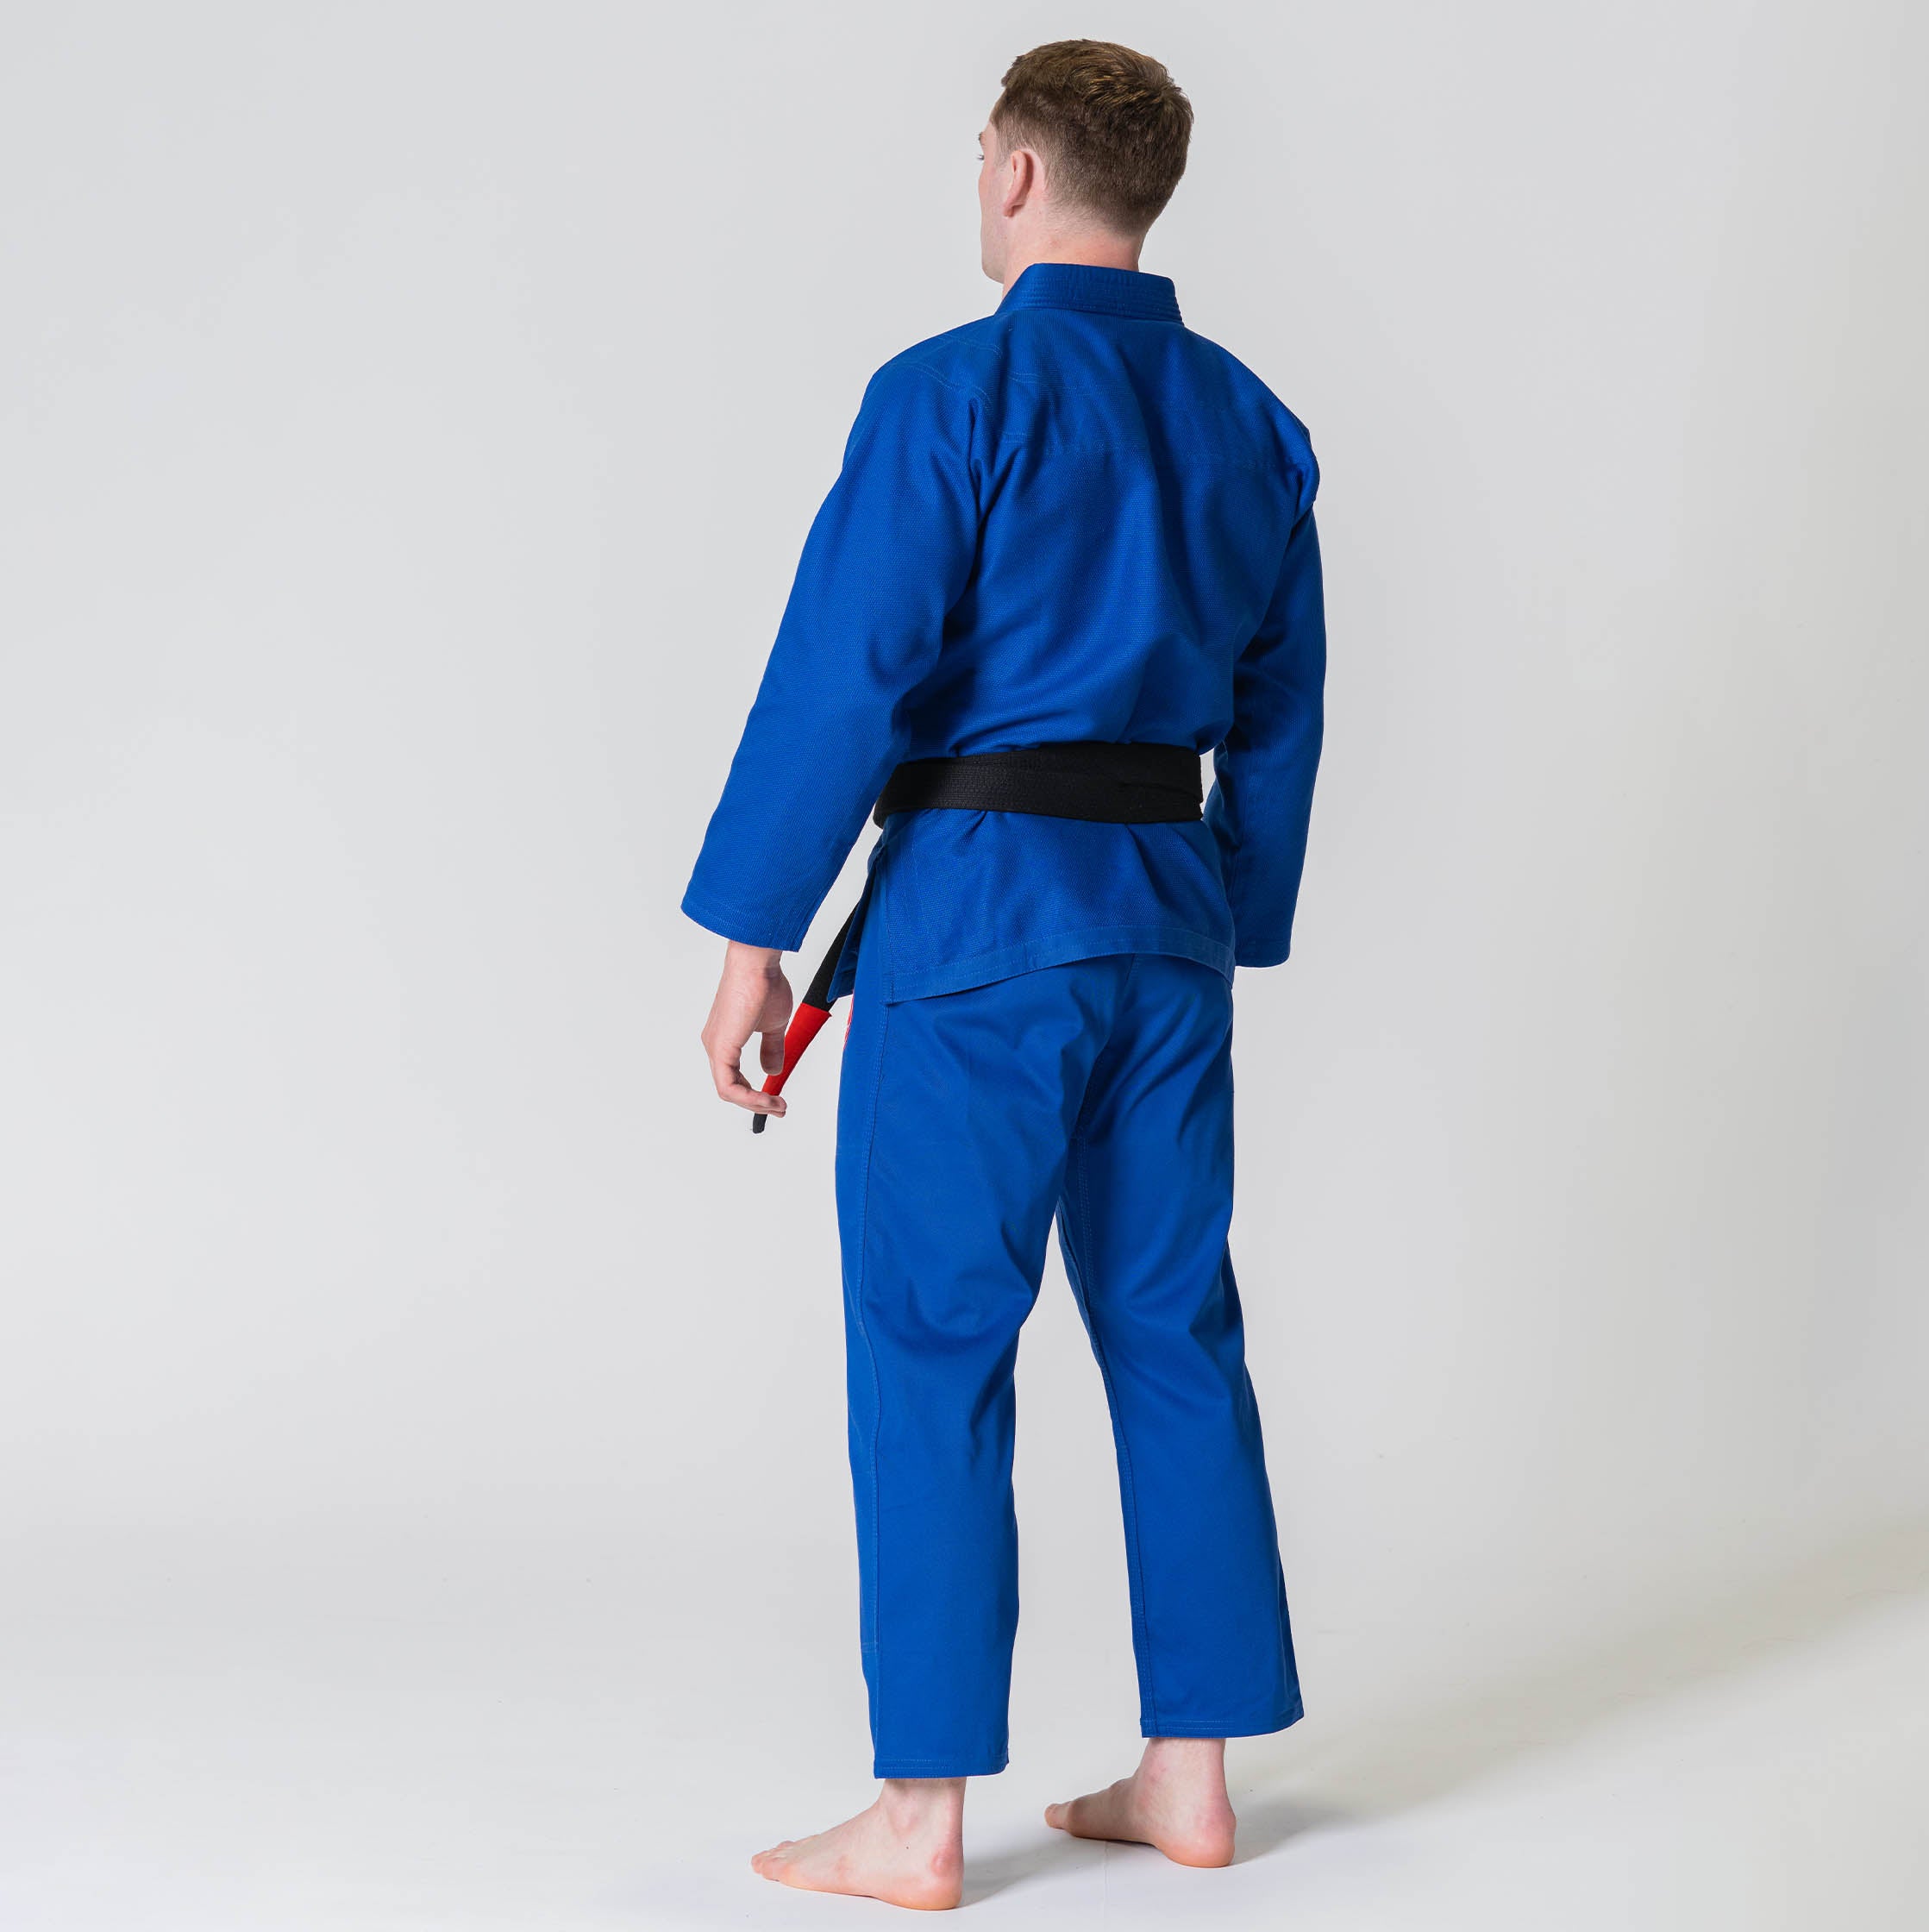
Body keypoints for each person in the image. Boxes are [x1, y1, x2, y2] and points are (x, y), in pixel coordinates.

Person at [686, 39, 1325, 1911]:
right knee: (1173, 1331)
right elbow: (1279, 716)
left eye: (983, 164)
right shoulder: (1255, 424)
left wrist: (756, 943)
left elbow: (845, 673)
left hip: (973, 935)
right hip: (1166, 926)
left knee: (934, 1346)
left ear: (1018, 175)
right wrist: (1235, 910)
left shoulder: (948, 395)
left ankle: (915, 1819)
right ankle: (1192, 1778)